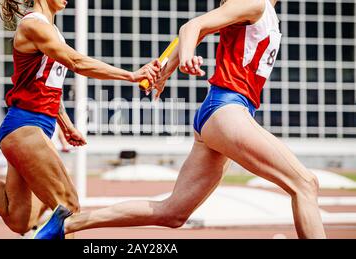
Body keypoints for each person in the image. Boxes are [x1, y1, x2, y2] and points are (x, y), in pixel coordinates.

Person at [58, 0, 326, 239]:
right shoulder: (253, 3)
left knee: (172, 213)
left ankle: (66, 226)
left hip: (222, 113)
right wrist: (185, 59)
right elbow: (192, 27)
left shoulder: (263, 11)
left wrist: (167, 68)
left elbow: (203, 30)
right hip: (228, 109)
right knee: (305, 183)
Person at [0, 0, 160, 239]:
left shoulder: (52, 31)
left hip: (28, 130)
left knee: (20, 219)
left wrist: (65, 124)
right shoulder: (34, 25)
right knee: (67, 207)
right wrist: (131, 75)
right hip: (25, 127)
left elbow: (49, 86)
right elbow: (76, 62)